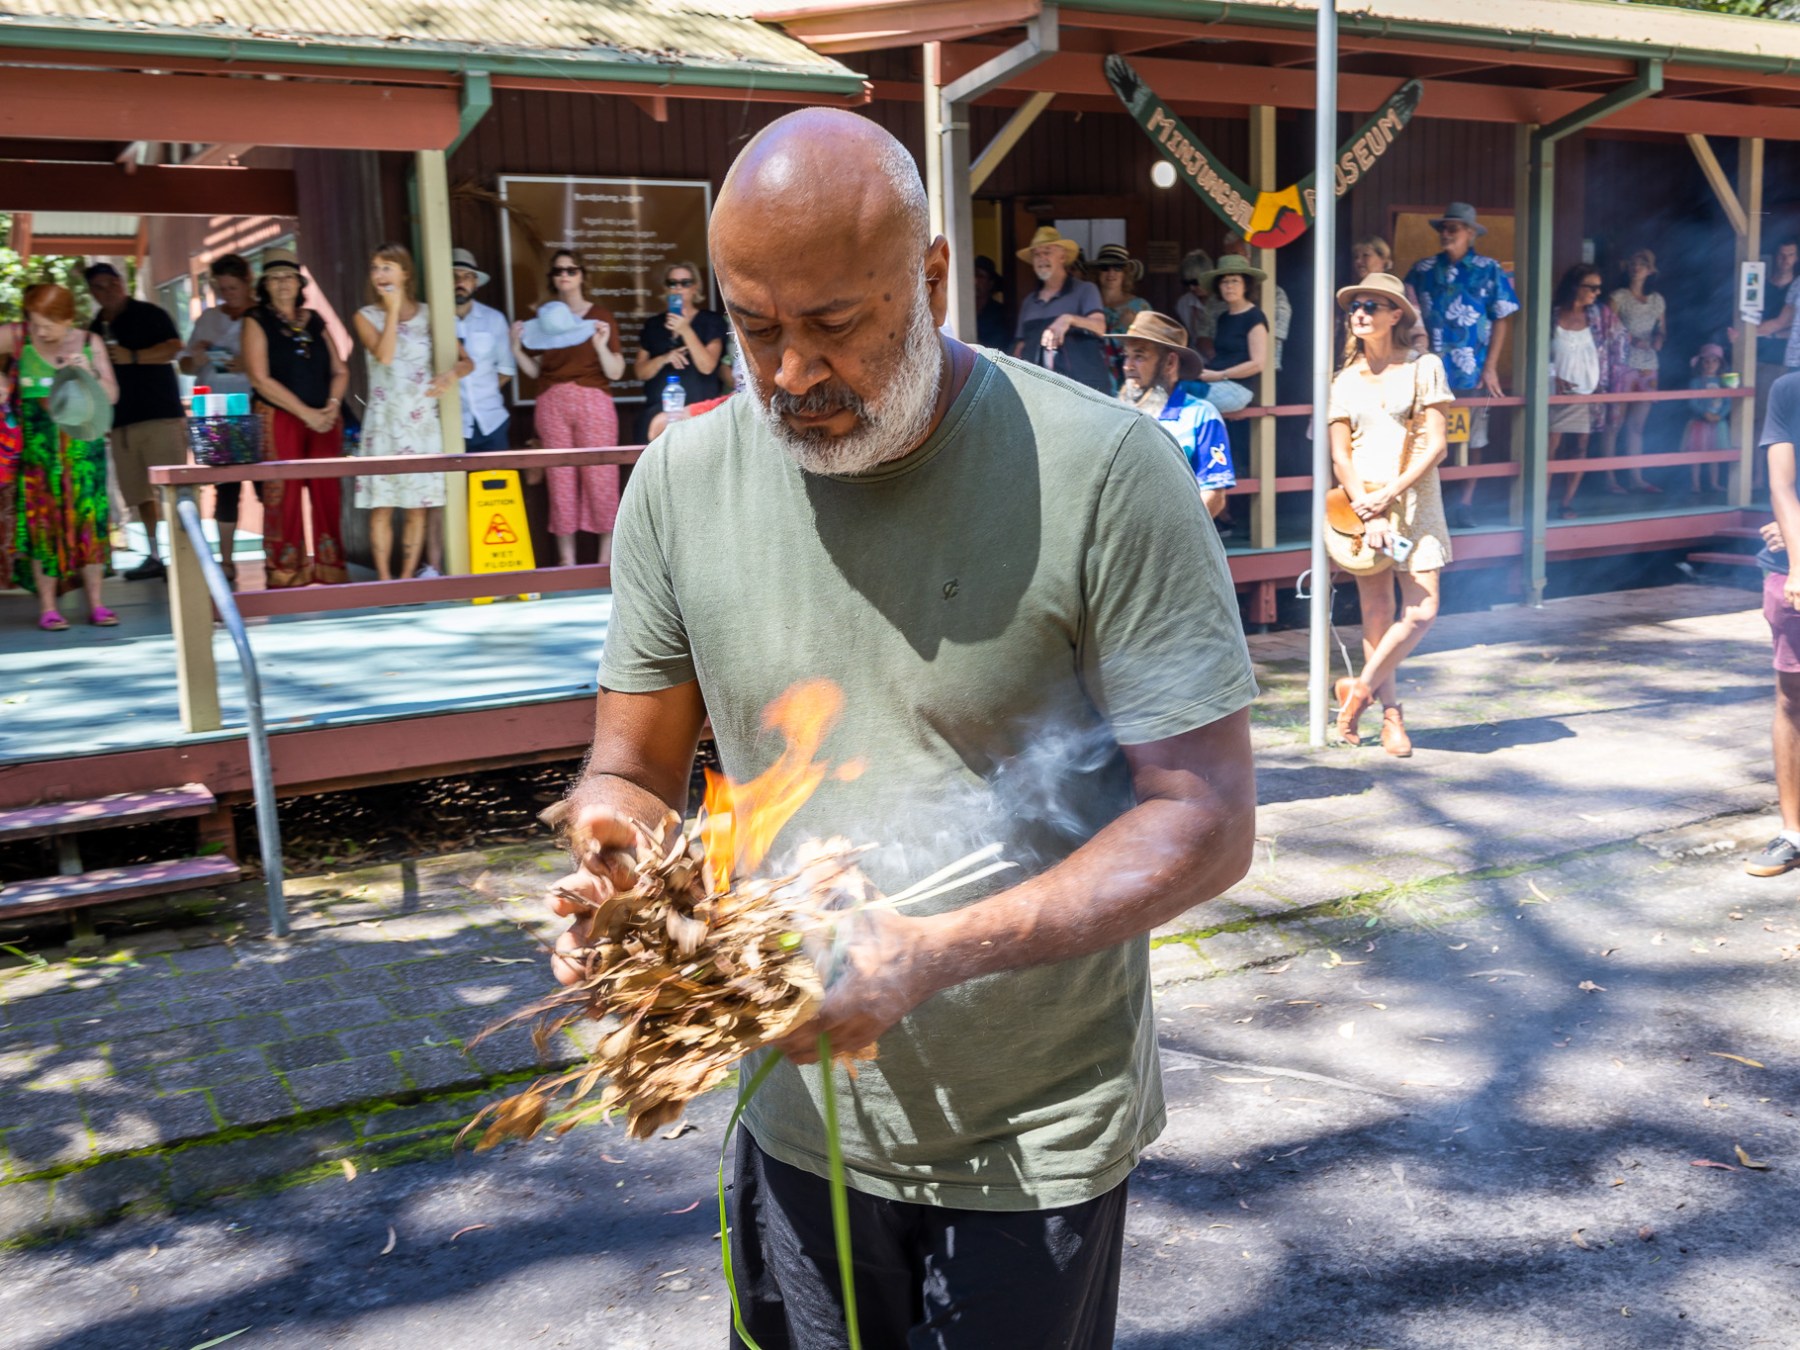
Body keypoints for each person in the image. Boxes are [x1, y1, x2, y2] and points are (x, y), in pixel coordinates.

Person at [549, 108, 1256, 1347]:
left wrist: (935, 950)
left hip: (1027, 1135)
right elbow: (635, 765)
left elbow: (1203, 819)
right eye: (753, 327)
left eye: (835, 324)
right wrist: (616, 851)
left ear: (931, 278)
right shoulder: (680, 483)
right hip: (790, 1106)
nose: (790, 374)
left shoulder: (1104, 474)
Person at [1328, 271, 1454, 757]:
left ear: (1396, 315)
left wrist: (1391, 495)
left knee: (1422, 611)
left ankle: (1357, 690)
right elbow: (1341, 455)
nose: (1359, 313)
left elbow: (1437, 445)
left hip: (1416, 501)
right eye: (1354, 306)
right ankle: (1391, 717)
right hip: (1363, 506)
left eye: (1371, 305)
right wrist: (1367, 505)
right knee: (1377, 612)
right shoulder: (1342, 380)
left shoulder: (1425, 367)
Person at [2, 284, 120, 629]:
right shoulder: (18, 337)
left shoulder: (89, 342)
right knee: (42, 528)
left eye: (48, 324)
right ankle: (48, 607)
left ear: (68, 319)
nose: (40, 331)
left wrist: (92, 374)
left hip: (83, 452)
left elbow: (112, 395)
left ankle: (97, 604)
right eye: (34, 322)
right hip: (38, 457)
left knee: (90, 526)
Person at [352, 243, 469, 583]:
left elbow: (467, 361)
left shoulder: (431, 314)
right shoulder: (365, 316)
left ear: (405, 273)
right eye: (375, 267)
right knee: (382, 507)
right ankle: (385, 582)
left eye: (387, 266)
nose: (379, 274)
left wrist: (449, 376)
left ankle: (405, 581)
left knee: (418, 506)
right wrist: (391, 309)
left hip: (421, 422)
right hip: (384, 423)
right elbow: (385, 356)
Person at [1404, 202, 1518, 529]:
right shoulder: (1421, 270)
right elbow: (1408, 315)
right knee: (1428, 437)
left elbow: (1502, 318)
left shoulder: (1489, 268)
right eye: (1443, 228)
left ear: (1470, 233)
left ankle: (1464, 504)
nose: (1445, 234)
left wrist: (1491, 366)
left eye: (1453, 228)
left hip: (1472, 368)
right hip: (1429, 371)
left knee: (1472, 438)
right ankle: (1433, 501)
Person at [242, 248, 349, 589]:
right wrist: (306, 414)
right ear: (265, 285)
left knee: (327, 491)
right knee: (283, 494)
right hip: (279, 417)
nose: (282, 283)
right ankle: (286, 574)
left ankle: (331, 569)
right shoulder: (255, 320)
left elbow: (340, 369)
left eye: (288, 276)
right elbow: (260, 378)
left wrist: (332, 406)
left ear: (299, 282)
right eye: (274, 278)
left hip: (324, 417)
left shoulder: (314, 320)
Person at [511, 249, 626, 566]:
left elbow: (616, 371)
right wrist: (514, 348)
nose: (564, 275)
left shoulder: (600, 316)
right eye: (559, 271)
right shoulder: (544, 320)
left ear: (582, 276)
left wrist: (600, 345)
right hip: (552, 401)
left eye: (572, 270)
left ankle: (607, 560)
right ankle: (567, 561)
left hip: (593, 399)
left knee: (600, 475)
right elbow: (536, 372)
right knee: (559, 477)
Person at [85, 262, 185, 581]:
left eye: (112, 282)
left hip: (161, 416)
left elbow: (174, 348)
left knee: (173, 490)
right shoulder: (93, 328)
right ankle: (155, 555)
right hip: (121, 423)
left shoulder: (149, 313)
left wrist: (134, 357)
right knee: (139, 495)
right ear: (92, 292)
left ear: (121, 282)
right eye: (100, 286)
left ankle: (183, 556)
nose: (109, 290)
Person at [1748, 369, 1800, 876]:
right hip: (1790, 573)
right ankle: (1792, 832)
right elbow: (1781, 486)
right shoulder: (1789, 390)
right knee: (1791, 698)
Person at [1114, 310, 1234, 518]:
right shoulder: (1114, 413)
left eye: (1139, 356)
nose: (1127, 366)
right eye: (1127, 355)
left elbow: (1213, 495)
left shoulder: (1202, 416)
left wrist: (1174, 543)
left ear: (1170, 363)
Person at [181, 254, 257, 579]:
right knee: (226, 487)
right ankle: (226, 561)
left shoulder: (260, 316)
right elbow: (183, 364)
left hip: (255, 405)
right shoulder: (209, 318)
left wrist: (249, 366)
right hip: (216, 411)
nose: (228, 294)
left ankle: (278, 557)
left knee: (269, 486)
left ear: (247, 283)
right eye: (222, 288)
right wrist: (198, 357)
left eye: (233, 287)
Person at [632, 259, 727, 441]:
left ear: (695, 288)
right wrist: (665, 358)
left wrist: (685, 329)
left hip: (700, 413)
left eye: (685, 283)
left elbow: (707, 366)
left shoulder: (710, 321)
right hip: (657, 414)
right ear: (666, 289)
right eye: (672, 283)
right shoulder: (653, 325)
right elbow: (640, 372)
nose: (678, 288)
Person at [1011, 226, 1112, 394]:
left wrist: (1068, 319)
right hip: (1041, 393)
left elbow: (1100, 327)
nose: (1041, 258)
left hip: (1083, 392)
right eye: (1036, 254)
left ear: (1062, 257)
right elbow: (1020, 347)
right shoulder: (1029, 301)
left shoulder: (1085, 290)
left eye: (1047, 251)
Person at [1547, 263, 1610, 518]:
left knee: (1580, 448)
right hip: (1555, 393)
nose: (1596, 293)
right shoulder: (1553, 315)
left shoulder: (1598, 316)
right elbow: (1538, 350)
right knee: (1550, 448)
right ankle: (1540, 502)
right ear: (1576, 286)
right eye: (1591, 287)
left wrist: (1603, 382)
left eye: (1599, 288)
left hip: (1588, 392)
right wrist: (1553, 375)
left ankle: (1566, 503)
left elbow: (1615, 345)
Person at [1604, 248, 1667, 495]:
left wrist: (1658, 339)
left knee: (1637, 426)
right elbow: (1608, 328)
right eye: (1633, 262)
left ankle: (1636, 477)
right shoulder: (1618, 297)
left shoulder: (1657, 300)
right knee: (1614, 424)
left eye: (1642, 263)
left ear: (1651, 270)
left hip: (1649, 365)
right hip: (1623, 364)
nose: (1636, 267)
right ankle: (1609, 478)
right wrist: (1630, 340)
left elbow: (1663, 329)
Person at [1191, 254, 1267, 413]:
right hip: (1215, 383)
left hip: (1237, 389)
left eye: (1235, 281)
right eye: (1224, 282)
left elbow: (1258, 363)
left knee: (1184, 398)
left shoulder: (1254, 316)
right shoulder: (1223, 318)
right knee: (1176, 388)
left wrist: (1220, 375)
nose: (1229, 286)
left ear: (1246, 285)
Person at [1753, 237, 1800, 440]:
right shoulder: (1796, 286)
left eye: (1790, 255)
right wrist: (1746, 334)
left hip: (1786, 362)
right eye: (1782, 255)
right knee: (1772, 420)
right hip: (1784, 362)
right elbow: (1782, 321)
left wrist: (1770, 332)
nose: (1785, 260)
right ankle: (1764, 472)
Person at [1091, 243, 1151, 390]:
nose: (1111, 272)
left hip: (1130, 376)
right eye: (1105, 268)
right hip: (1093, 374)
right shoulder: (1088, 305)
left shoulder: (1141, 306)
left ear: (1125, 273)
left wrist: (1134, 327)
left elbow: (1151, 346)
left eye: (1117, 267)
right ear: (1098, 273)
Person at [1685, 343, 1731, 495]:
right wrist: (1705, 414)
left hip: (1718, 423)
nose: (1710, 365)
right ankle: (1695, 484)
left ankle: (1714, 483)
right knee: (1696, 455)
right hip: (1700, 423)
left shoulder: (1724, 383)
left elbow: (1728, 402)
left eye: (1714, 361)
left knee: (1715, 455)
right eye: (1706, 361)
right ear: (1701, 363)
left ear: (1720, 363)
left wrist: (1720, 415)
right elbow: (1693, 402)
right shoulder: (1696, 382)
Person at [1177, 248, 1216, 360]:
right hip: (1195, 361)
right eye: (1187, 283)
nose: (1191, 287)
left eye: (1195, 282)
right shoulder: (1183, 303)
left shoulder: (1223, 300)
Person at [971, 254, 1010, 350]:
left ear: (990, 283)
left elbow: (998, 346)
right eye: (973, 275)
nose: (975, 281)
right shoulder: (960, 311)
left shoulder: (999, 313)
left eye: (981, 276)